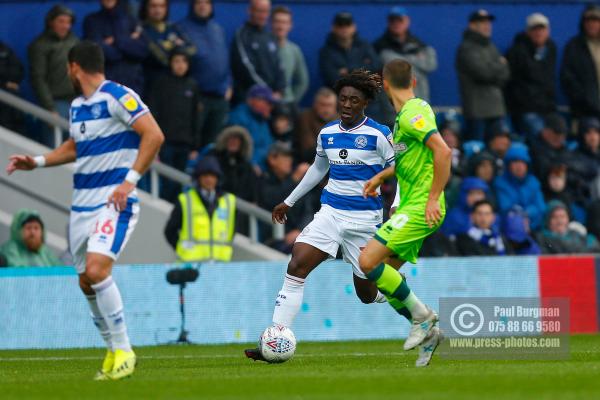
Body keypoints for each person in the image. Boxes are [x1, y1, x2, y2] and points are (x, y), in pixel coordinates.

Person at [5, 41, 164, 380]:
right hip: (81, 204)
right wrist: (37, 162)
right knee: (85, 282)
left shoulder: (118, 96)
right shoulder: (78, 106)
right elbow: (76, 146)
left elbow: (153, 134)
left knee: (97, 269)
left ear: (74, 67)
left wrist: (130, 181)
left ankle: (124, 350)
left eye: (67, 68)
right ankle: (111, 352)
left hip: (113, 201)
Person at [244, 70, 413, 362]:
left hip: (364, 222)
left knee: (366, 294)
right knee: (297, 264)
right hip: (331, 213)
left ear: (365, 103)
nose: (346, 105)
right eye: (343, 99)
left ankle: (392, 282)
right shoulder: (327, 133)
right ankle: (276, 339)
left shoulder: (381, 134)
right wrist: (289, 200)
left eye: (353, 100)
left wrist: (396, 207)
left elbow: (403, 173)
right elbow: (318, 169)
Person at [358, 60, 451, 366]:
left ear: (385, 84)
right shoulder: (404, 118)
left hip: (421, 205)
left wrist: (434, 198)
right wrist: (384, 176)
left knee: (367, 261)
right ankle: (428, 333)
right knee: (384, 274)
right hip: (414, 204)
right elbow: (413, 158)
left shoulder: (413, 114)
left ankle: (422, 317)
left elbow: (443, 151)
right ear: (412, 79)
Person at [147, 48, 199, 202]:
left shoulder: (192, 86)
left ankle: (172, 209)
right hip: (165, 141)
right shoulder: (161, 83)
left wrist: (195, 145)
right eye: (176, 61)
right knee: (166, 180)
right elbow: (153, 112)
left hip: (184, 143)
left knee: (179, 181)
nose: (180, 65)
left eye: (184, 61)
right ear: (170, 63)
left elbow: (196, 117)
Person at [178, 0, 231, 147]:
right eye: (199, 3)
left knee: (214, 145)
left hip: (220, 97)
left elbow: (224, 58)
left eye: (207, 3)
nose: (203, 6)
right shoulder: (181, 29)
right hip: (198, 97)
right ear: (192, 6)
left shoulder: (217, 29)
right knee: (193, 143)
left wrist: (228, 84)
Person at [164, 156, 236, 262]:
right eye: (205, 175)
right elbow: (170, 231)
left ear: (217, 178)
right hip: (190, 265)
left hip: (219, 264)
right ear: (198, 178)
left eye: (212, 175)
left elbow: (232, 230)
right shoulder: (185, 200)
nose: (209, 179)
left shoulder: (229, 201)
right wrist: (182, 250)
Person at [455, 9, 510, 141]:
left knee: (498, 148)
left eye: (488, 22)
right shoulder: (466, 47)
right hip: (477, 111)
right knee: (476, 148)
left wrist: (499, 68)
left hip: (496, 109)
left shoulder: (491, 46)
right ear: (472, 25)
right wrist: (500, 64)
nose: (487, 26)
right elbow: (482, 73)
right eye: (482, 22)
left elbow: (506, 74)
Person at [505, 13, 557, 137]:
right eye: (535, 29)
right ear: (528, 32)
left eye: (542, 29)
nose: (539, 33)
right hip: (526, 110)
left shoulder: (551, 49)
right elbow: (513, 83)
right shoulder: (517, 51)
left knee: (558, 134)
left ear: (548, 31)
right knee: (540, 137)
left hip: (548, 108)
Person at [84, 0, 149, 96]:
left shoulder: (132, 20)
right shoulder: (92, 21)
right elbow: (99, 52)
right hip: (104, 85)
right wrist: (128, 42)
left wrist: (116, 41)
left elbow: (142, 51)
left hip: (132, 85)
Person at [373, 6, 437, 101]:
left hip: (419, 99)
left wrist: (399, 60)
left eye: (399, 20)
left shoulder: (418, 44)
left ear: (407, 21)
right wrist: (414, 59)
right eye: (392, 20)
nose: (396, 24)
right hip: (391, 104)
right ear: (388, 22)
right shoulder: (379, 47)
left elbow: (431, 65)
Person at [28, 5, 79, 120]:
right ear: (51, 22)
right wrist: (50, 107)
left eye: (68, 22)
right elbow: (38, 78)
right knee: (55, 137)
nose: (65, 26)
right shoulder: (39, 45)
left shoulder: (74, 41)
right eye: (61, 21)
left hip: (77, 100)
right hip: (56, 103)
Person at [258, 143, 311, 253]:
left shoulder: (296, 182)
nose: (290, 161)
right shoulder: (262, 180)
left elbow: (308, 210)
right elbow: (272, 199)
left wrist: (300, 230)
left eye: (290, 157)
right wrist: (293, 180)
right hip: (272, 240)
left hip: (298, 236)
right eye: (285, 156)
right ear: (272, 159)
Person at [230, 0, 285, 104]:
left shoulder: (270, 36)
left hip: (273, 100)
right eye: (259, 11)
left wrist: (279, 89)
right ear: (250, 11)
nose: (263, 15)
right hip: (249, 99)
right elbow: (245, 67)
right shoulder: (242, 35)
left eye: (266, 11)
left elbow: (279, 65)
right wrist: (266, 92)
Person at [139, 0, 195, 88]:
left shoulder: (173, 28)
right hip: (152, 85)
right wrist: (176, 47)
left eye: (162, 6)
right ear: (146, 8)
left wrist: (170, 49)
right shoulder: (141, 30)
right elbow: (162, 59)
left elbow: (192, 49)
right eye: (153, 6)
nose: (158, 10)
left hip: (177, 86)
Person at [493, 144, 546, 231]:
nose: (519, 166)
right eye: (515, 161)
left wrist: (526, 215)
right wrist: (526, 215)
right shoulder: (500, 183)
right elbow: (506, 209)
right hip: (509, 230)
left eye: (522, 162)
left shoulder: (533, 182)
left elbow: (541, 208)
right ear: (508, 165)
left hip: (534, 228)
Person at [561, 5, 600, 120]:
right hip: (585, 111)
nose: (592, 24)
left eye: (595, 20)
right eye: (588, 21)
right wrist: (585, 99)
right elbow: (567, 77)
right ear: (583, 23)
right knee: (592, 137)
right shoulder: (573, 46)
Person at [228, 84, 276, 171]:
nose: (270, 107)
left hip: (263, 170)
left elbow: (268, 146)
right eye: (267, 102)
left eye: (271, 104)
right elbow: (236, 149)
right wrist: (251, 165)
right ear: (252, 100)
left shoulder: (263, 121)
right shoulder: (238, 117)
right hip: (245, 169)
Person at [271, 6, 309, 106]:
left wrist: (291, 101)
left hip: (286, 106)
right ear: (270, 23)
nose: (280, 26)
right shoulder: (262, 48)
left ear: (290, 25)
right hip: (263, 106)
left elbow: (302, 81)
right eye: (277, 22)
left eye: (284, 22)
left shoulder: (294, 50)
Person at [294, 87, 337, 163]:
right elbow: (308, 150)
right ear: (315, 104)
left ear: (335, 106)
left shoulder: (342, 121)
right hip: (311, 162)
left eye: (329, 105)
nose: (326, 109)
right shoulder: (305, 118)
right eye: (323, 105)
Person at [0, 40, 24, 133]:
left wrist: (7, 82)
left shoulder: (3, 49)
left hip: (10, 103)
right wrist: (4, 83)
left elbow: (18, 69)